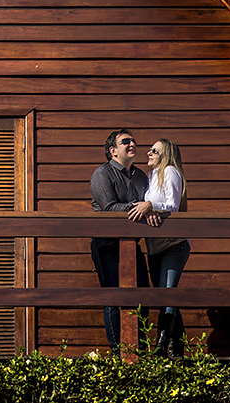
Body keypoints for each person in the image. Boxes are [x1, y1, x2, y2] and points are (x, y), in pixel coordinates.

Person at [89, 128, 151, 354]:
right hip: (106, 244)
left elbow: (151, 204)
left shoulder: (142, 176)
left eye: (134, 140)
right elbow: (108, 208)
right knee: (113, 296)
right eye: (126, 141)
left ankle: (141, 351)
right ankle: (118, 352)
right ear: (113, 151)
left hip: (132, 244)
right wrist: (141, 207)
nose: (132, 143)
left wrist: (150, 207)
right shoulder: (102, 174)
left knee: (142, 295)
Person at [128, 138, 190, 356]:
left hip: (173, 244)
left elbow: (172, 205)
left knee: (167, 294)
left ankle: (162, 347)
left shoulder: (170, 171)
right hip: (154, 245)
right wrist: (149, 207)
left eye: (155, 151)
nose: (149, 153)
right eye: (150, 150)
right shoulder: (151, 177)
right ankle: (176, 350)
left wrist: (150, 205)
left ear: (166, 156)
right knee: (165, 295)